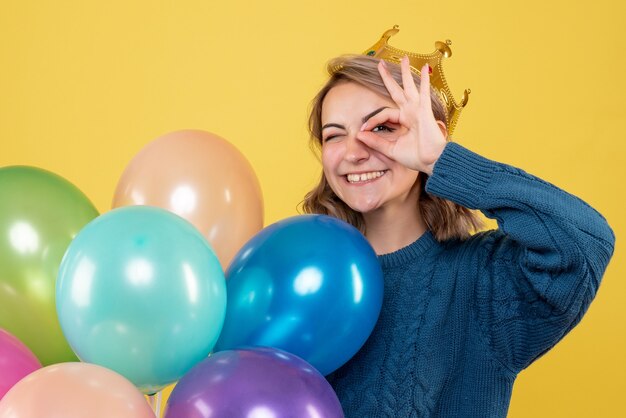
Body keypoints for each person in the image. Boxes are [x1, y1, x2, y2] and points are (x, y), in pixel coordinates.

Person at [301, 41, 615, 416]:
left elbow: (585, 243)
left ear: (431, 136)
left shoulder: (485, 279)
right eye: (334, 134)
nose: (354, 152)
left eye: (382, 127)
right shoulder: (304, 276)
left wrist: (441, 160)